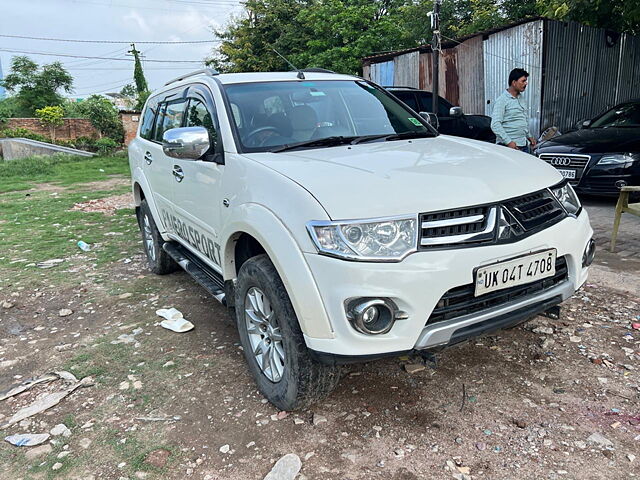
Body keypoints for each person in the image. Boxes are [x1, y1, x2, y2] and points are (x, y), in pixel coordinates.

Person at [490, 68, 537, 153]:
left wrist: (529, 136)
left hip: (523, 145)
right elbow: (495, 125)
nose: (526, 83)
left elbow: (522, 120)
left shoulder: (521, 99)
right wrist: (509, 142)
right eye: (523, 81)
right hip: (507, 148)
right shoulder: (502, 100)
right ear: (514, 82)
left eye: (526, 81)